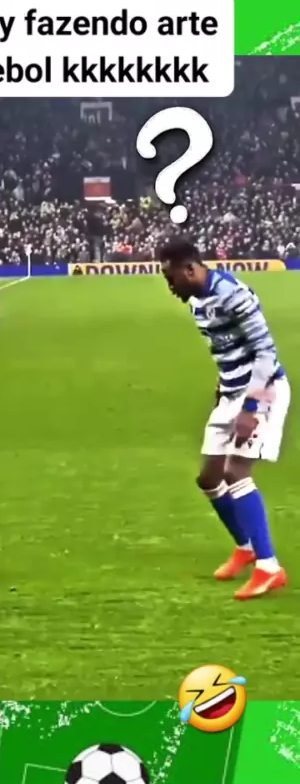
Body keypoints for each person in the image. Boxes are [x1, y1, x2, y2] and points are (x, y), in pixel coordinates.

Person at [159, 241, 290, 600]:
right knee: (209, 478)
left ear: (190, 270)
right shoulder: (197, 302)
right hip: (231, 393)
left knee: (236, 472)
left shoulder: (233, 294)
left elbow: (265, 351)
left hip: (262, 391)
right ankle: (245, 547)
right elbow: (228, 350)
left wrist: (250, 407)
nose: (170, 287)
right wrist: (224, 388)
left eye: (172, 279)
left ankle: (269, 568)